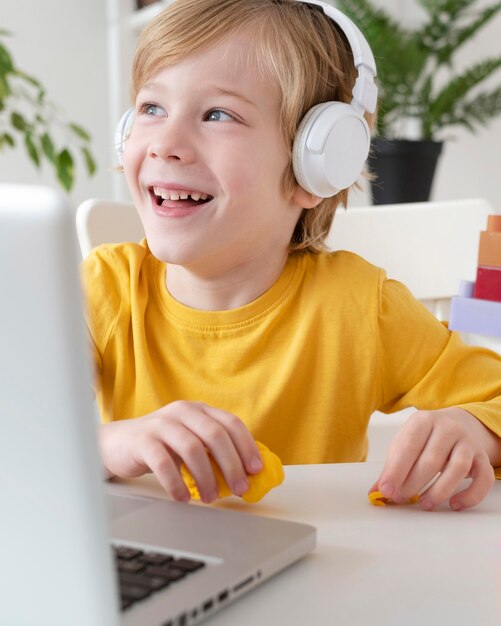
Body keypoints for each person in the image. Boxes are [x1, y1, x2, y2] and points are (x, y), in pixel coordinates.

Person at [83, 0, 501, 511]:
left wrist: (474, 429)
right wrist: (106, 445)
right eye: (152, 108)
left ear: (317, 163)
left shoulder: (358, 306)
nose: (165, 144)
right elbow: (20, 428)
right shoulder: (101, 290)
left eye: (218, 114)